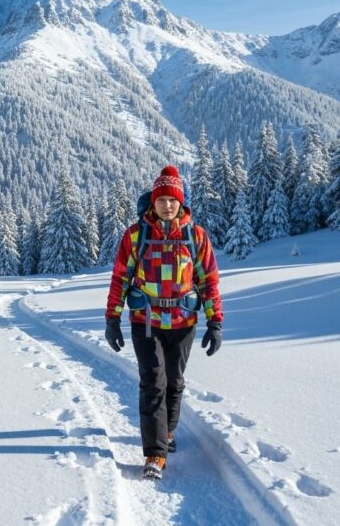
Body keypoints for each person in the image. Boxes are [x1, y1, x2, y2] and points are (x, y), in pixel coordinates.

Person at [104, 165, 223, 481]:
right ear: (153, 203)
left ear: (181, 203)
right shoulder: (135, 236)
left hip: (184, 322)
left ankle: (167, 432)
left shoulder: (195, 236)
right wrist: (112, 319)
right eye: (161, 200)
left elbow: (208, 280)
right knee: (152, 383)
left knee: (175, 381)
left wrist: (215, 322)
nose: (167, 205)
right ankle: (154, 454)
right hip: (146, 322)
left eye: (173, 200)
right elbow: (120, 278)